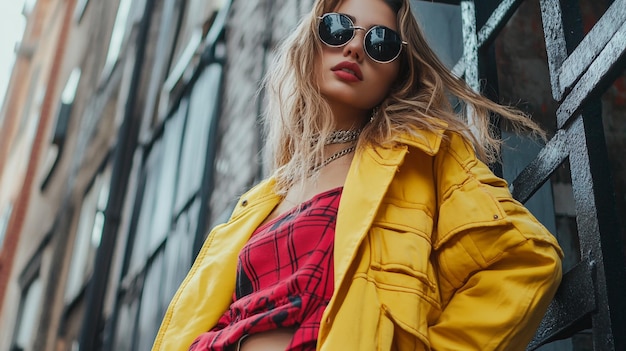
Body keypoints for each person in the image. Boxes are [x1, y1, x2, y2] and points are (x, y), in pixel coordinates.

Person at [152, 0, 563, 349]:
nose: (353, 48)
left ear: (398, 72)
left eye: (379, 43)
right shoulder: (262, 198)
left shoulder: (421, 155)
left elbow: (526, 260)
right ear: (311, 42)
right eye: (337, 29)